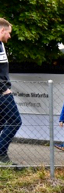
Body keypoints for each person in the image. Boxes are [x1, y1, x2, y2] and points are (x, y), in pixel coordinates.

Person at [0, 18, 22, 165]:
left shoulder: (1, 44)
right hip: (2, 92)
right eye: (8, 33)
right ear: (2, 30)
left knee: (1, 123)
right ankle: (1, 153)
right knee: (15, 121)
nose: (10, 36)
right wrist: (4, 89)